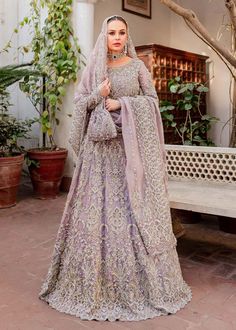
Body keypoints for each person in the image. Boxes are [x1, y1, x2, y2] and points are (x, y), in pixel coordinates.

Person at [39, 15, 192, 321]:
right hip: (99, 154)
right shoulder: (95, 68)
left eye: (122, 32)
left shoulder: (137, 68)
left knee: (129, 210)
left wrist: (121, 105)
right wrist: (99, 95)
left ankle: (140, 286)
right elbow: (82, 101)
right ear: (104, 36)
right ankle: (90, 285)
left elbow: (151, 101)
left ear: (127, 36)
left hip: (128, 153)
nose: (117, 37)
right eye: (112, 33)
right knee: (97, 212)